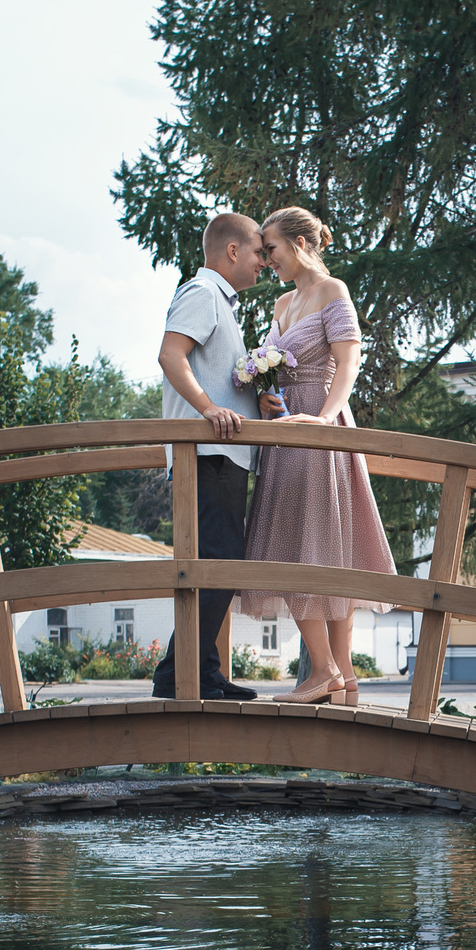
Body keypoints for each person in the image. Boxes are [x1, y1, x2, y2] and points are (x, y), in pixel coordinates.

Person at [235, 206, 397, 706]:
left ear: (302, 244)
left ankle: (328, 671)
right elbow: (269, 368)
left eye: (273, 249)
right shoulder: (284, 302)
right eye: (263, 251)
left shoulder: (334, 292)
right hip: (285, 434)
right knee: (292, 545)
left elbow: (349, 362)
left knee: (325, 548)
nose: (267, 259)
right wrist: (264, 394)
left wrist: (326, 421)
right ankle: (337, 674)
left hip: (319, 429)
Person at [150, 213, 269, 701]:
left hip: (224, 454)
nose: (264, 261)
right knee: (216, 561)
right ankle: (177, 676)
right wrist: (208, 408)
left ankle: (201, 671)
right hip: (208, 453)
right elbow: (169, 354)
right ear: (233, 251)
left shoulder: (223, 304)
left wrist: (256, 400)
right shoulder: (202, 294)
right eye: (259, 251)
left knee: (217, 563)